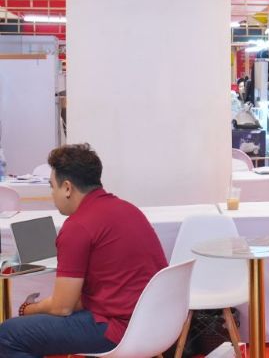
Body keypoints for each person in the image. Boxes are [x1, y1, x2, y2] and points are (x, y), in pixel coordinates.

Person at [0, 144, 167, 358]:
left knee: (8, 334)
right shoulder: (129, 209)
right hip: (157, 322)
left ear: (67, 188)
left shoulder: (78, 226)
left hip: (118, 329)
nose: (52, 195)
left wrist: (27, 309)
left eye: (52, 187)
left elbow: (62, 308)